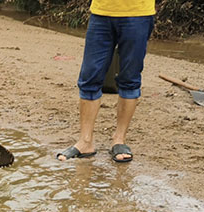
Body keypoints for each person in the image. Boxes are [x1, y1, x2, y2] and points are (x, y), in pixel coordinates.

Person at [56, 0, 155, 163]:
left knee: (130, 79)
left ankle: (119, 139)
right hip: (101, 12)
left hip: (138, 13)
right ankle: (85, 141)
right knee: (89, 77)